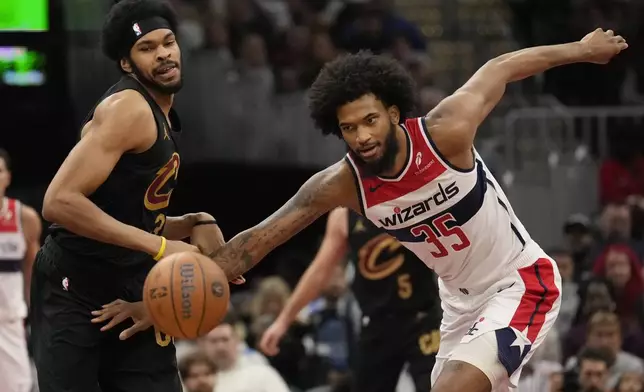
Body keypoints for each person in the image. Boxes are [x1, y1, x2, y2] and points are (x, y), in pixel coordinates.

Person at [208, 28, 628, 392]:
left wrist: (582, 49)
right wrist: (198, 275)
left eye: (370, 120)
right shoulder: (343, 183)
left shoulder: (445, 132)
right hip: (457, 303)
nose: (362, 137)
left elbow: (500, 67)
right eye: (349, 128)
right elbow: (260, 237)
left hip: (519, 281)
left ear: (393, 112)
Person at [29, 1, 226, 391]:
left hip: (133, 286)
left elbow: (123, 213)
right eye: (147, 48)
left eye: (168, 42)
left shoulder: (164, 113)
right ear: (126, 63)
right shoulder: (128, 109)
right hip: (75, 286)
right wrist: (159, 246)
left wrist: (191, 222)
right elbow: (60, 201)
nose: (164, 54)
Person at [259, 207, 441, 391]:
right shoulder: (343, 215)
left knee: (440, 385)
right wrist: (283, 321)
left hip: (423, 317)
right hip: (377, 324)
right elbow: (319, 271)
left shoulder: (410, 198)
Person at [0, 149, 42, 392]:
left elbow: (31, 273)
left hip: (9, 321)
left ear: (7, 177)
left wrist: (36, 318)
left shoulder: (23, 217)